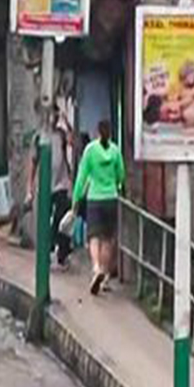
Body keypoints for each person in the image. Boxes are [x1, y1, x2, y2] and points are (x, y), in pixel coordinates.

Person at [71, 118, 126, 296]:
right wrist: (117, 185)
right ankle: (105, 276)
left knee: (94, 237)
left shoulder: (90, 151)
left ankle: (96, 268)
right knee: (108, 239)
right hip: (111, 197)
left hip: (94, 198)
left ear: (97, 132)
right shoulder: (115, 151)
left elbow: (82, 176)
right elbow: (121, 174)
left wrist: (76, 198)